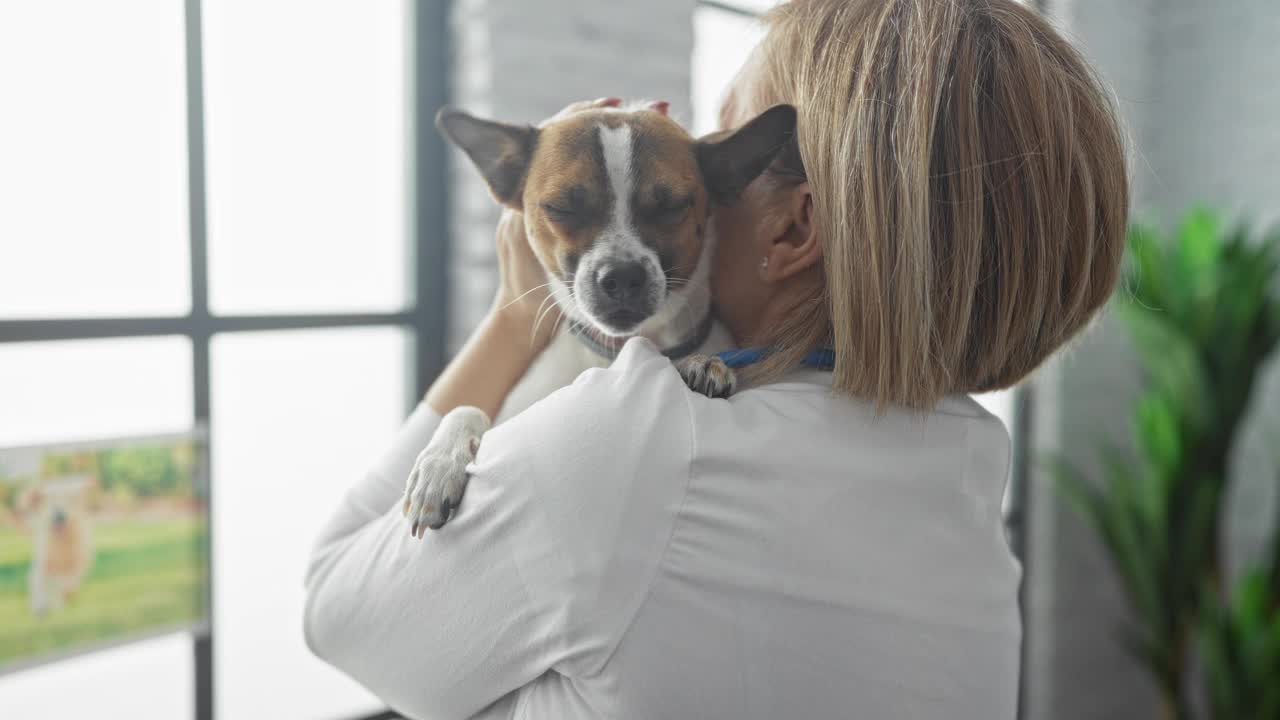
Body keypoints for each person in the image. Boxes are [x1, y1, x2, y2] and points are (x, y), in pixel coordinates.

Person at [303, 0, 1128, 717]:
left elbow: (335, 606)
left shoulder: (641, 446)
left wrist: (511, 324)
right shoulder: (968, 460)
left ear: (793, 229)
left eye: (719, 156)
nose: (692, 161)